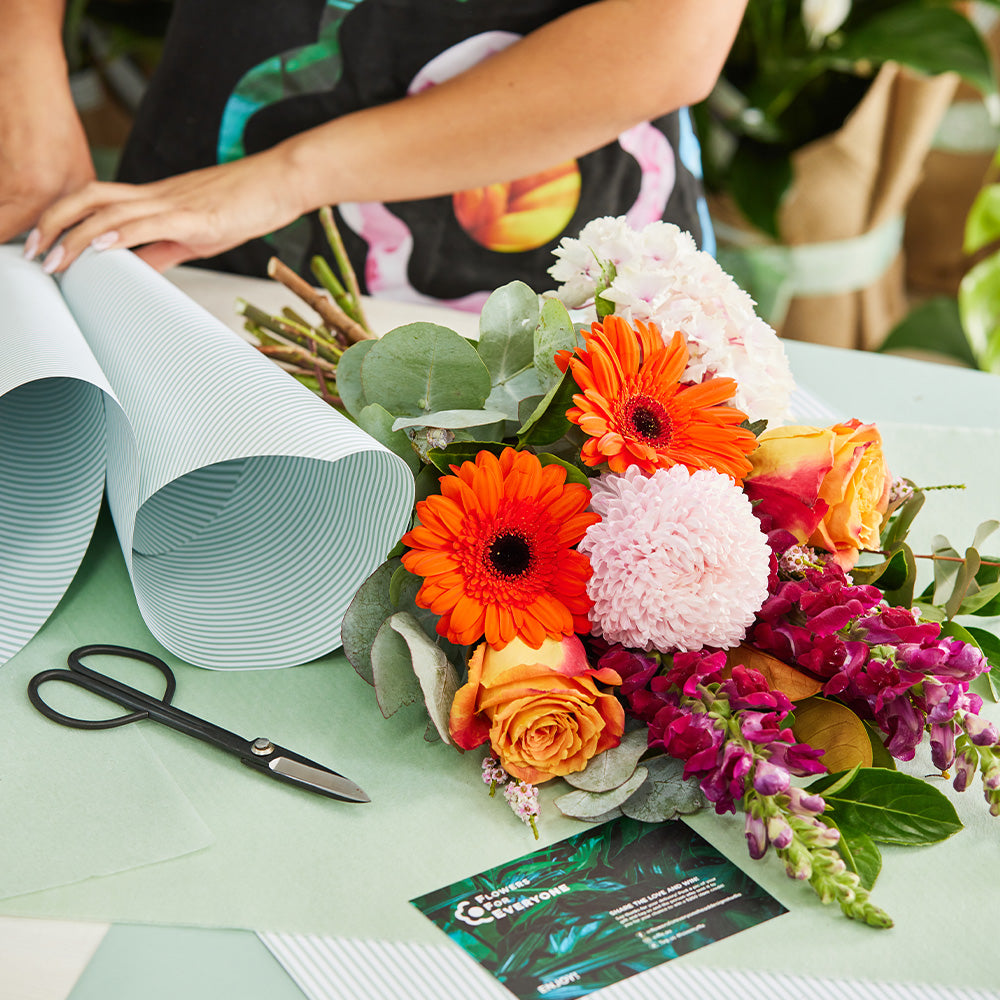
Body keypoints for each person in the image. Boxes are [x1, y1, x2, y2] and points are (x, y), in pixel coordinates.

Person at [3, 0, 747, 307]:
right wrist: (21, 62)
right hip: (204, 204)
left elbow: (671, 38)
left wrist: (288, 176)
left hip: (549, 236)